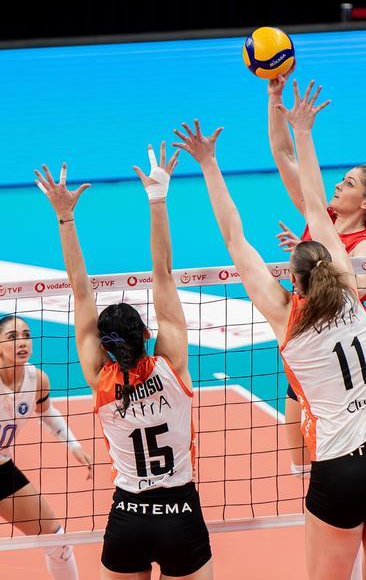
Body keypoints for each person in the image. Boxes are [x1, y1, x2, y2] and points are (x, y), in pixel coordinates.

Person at [173, 85, 366, 579]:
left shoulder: (286, 316)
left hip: (339, 464)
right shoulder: (350, 295)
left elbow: (235, 236)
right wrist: (303, 131)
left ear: (294, 278)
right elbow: (318, 213)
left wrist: (210, 165)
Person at [35, 145, 212, 580]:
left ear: (105, 345)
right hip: (180, 514)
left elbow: (80, 291)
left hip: (128, 517)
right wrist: (157, 197)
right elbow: (163, 272)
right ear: (147, 333)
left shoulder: (99, 377)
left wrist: (65, 217)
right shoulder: (171, 364)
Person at [268, 72, 366, 548]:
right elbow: (283, 156)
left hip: (344, 368)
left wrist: (310, 267)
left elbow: (346, 295)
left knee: (335, 459)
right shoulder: (323, 220)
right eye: (340, 180)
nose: (338, 186)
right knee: (298, 460)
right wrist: (274, 97)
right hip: (305, 358)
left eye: (348, 183)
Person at [0, 314, 92, 580]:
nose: (22, 342)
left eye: (26, 336)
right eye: (12, 337)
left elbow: (47, 412)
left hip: (2, 468)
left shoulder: (37, 380)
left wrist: (73, 445)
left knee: (56, 541)